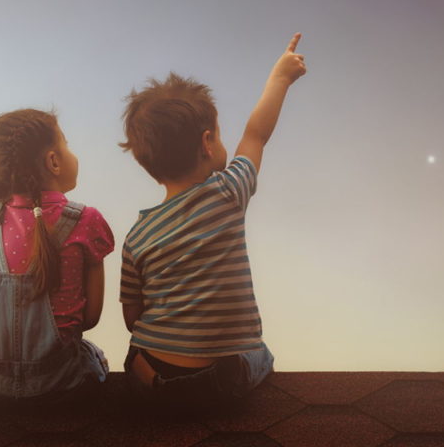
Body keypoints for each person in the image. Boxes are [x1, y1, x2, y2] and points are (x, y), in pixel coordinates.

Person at [119, 33, 307, 406]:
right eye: (220, 135)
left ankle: (154, 383)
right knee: (260, 353)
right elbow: (256, 134)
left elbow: (131, 316)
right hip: (220, 381)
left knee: (137, 349)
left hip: (157, 368)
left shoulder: (137, 236)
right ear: (207, 143)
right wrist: (280, 79)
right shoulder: (227, 192)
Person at [0, 109, 115, 402]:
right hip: (60, 380)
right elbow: (89, 318)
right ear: (53, 161)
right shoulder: (87, 221)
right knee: (93, 356)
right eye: (66, 144)